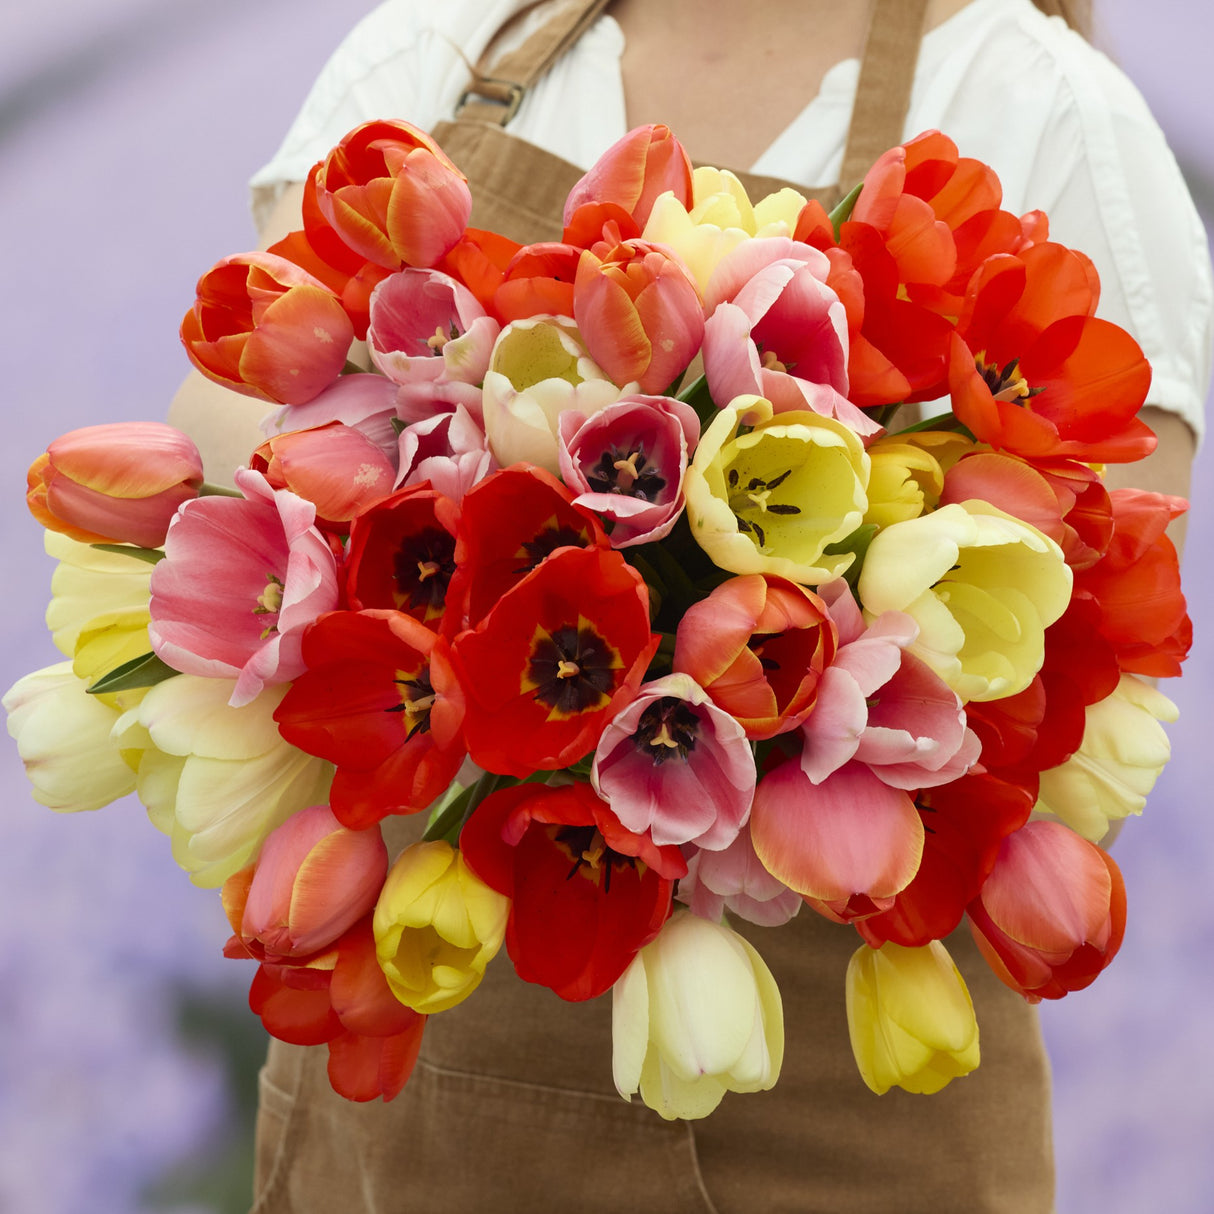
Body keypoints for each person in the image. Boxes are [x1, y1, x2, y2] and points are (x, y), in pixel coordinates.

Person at [168, 2, 1211, 1210]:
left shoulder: (1036, 101)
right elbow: (222, 420)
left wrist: (643, 594)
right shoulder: (449, 45)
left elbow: (1081, 620)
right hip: (403, 1123)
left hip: (825, 1123)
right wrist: (488, 493)